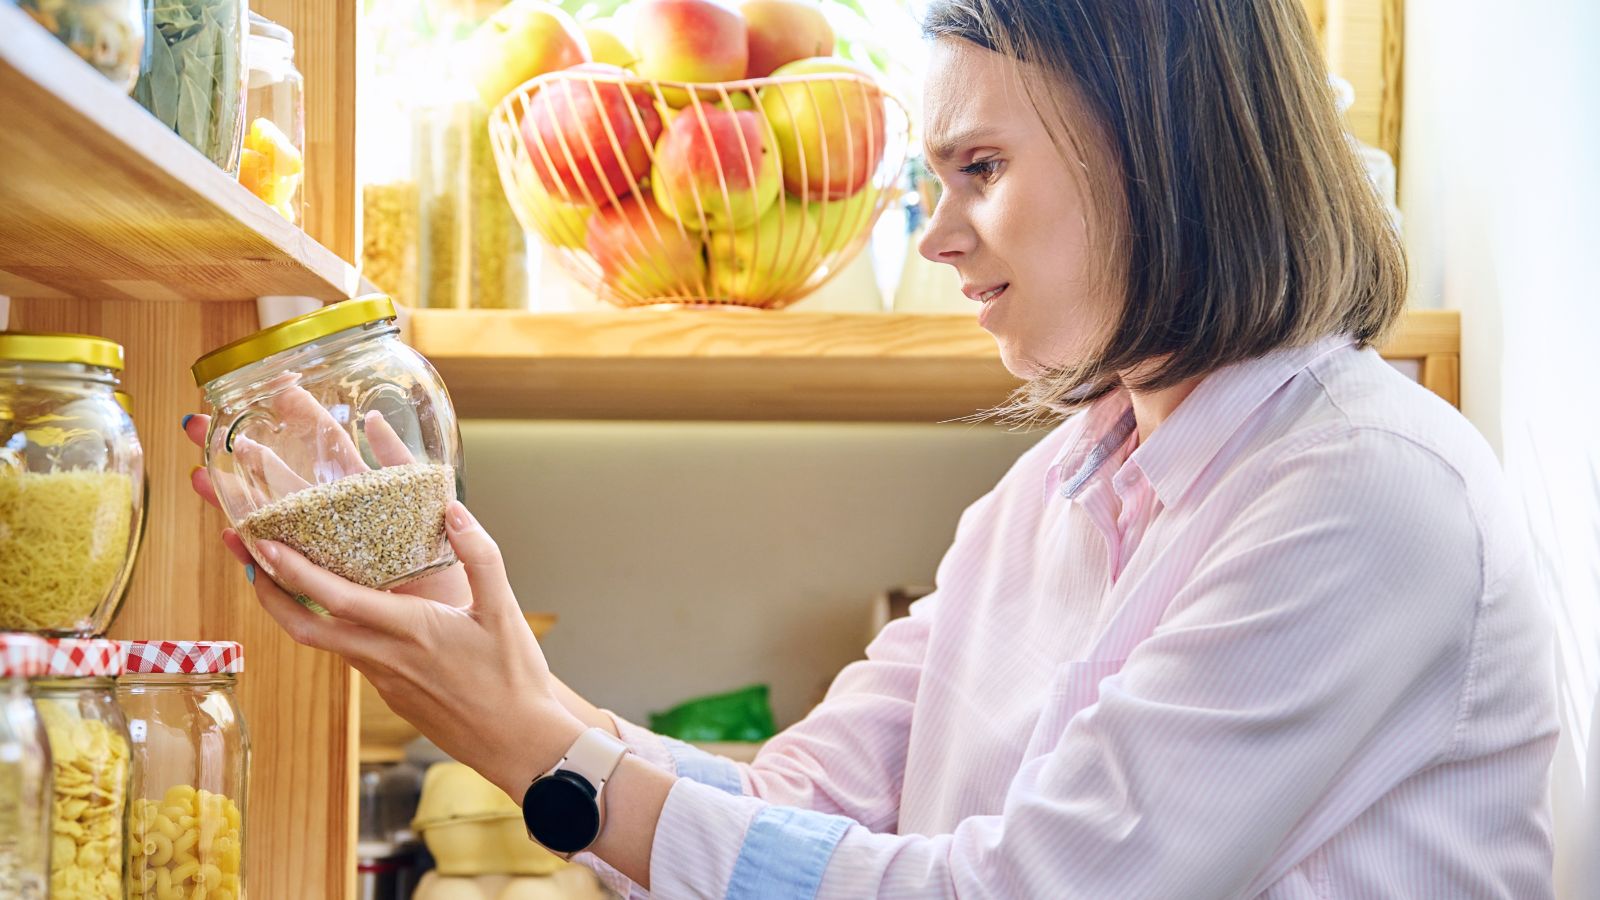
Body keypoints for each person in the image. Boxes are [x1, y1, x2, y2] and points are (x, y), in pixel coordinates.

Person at [183, 0, 1558, 895]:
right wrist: (507, 689)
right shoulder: (1044, 501)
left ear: (1167, 151)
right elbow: (792, 803)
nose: (937, 235)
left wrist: (544, 749)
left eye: (980, 171)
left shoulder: (1368, 498)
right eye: (928, 180)